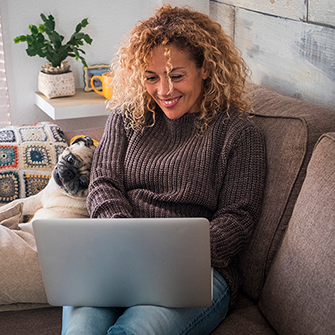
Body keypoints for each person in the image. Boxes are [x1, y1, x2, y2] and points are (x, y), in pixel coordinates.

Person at [61, 5, 266, 335]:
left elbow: (238, 218)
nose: (164, 91)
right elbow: (103, 181)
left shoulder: (239, 134)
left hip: (197, 270)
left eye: (176, 75)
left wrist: (173, 255)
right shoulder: (127, 117)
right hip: (118, 257)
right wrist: (125, 237)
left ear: (206, 68)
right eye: (151, 77)